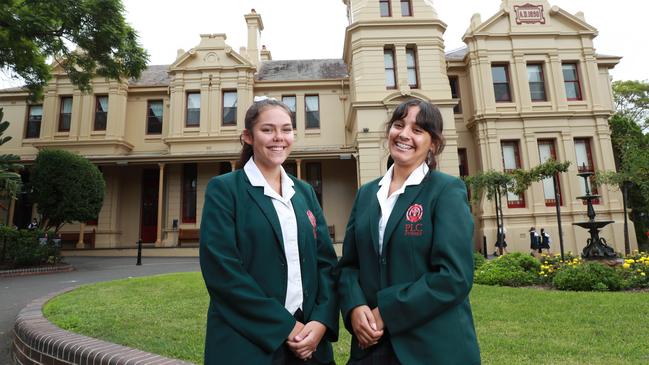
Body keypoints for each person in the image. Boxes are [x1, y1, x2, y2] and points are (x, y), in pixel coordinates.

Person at [336, 99, 480, 365]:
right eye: (399, 125)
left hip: (431, 348)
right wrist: (355, 308)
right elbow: (348, 266)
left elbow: (454, 277)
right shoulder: (367, 194)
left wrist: (386, 312)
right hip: (371, 346)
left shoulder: (446, 191)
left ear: (433, 144)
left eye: (417, 130)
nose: (404, 134)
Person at [199, 98, 338, 365]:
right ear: (248, 137)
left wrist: (320, 321)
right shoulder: (225, 190)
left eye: (286, 129)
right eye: (268, 130)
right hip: (247, 342)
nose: (279, 138)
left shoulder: (305, 192)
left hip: (310, 342)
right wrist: (286, 326)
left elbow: (326, 264)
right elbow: (223, 273)